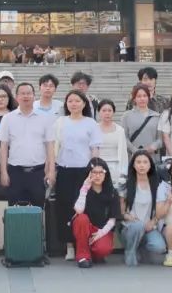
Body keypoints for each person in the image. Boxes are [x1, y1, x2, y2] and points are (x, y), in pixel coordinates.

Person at [53, 90, 102, 260]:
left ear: (84, 104)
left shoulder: (91, 123)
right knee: (65, 206)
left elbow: (95, 148)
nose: (73, 104)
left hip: (84, 171)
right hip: (64, 170)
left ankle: (85, 244)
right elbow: (54, 146)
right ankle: (69, 246)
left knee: (85, 207)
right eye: (70, 101)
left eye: (77, 101)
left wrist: (94, 170)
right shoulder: (60, 122)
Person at [0, 82, 56, 206]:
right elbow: (3, 147)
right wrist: (4, 172)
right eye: (22, 93)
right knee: (14, 211)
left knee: (38, 210)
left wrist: (51, 171)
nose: (26, 96)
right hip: (15, 172)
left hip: (38, 173)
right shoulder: (8, 118)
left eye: (29, 93)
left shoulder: (45, 118)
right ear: (16, 97)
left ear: (34, 96)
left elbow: (50, 146)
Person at [70, 157, 120, 268]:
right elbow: (79, 210)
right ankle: (83, 257)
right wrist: (85, 188)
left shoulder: (112, 192)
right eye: (94, 172)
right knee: (81, 218)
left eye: (101, 172)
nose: (97, 176)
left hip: (101, 230)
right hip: (85, 228)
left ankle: (93, 253)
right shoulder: (82, 188)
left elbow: (112, 220)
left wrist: (101, 233)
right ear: (89, 173)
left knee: (103, 249)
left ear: (106, 174)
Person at [120, 149, 168, 266]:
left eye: (145, 162)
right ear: (133, 165)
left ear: (150, 165)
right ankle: (130, 251)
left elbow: (160, 209)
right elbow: (121, 211)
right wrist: (128, 217)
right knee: (137, 226)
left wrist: (153, 221)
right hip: (131, 226)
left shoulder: (157, 184)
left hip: (149, 226)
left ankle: (140, 247)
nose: (142, 165)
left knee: (159, 247)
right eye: (138, 162)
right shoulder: (125, 183)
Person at [95, 99, 128, 186]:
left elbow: (123, 153)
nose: (107, 113)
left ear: (113, 112)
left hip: (115, 168)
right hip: (98, 168)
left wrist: (123, 173)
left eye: (109, 110)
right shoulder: (94, 129)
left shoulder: (120, 130)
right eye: (104, 110)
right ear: (99, 112)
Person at [123, 83, 162, 156]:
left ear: (148, 97)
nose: (142, 99)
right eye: (139, 96)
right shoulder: (126, 116)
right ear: (134, 98)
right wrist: (135, 150)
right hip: (133, 157)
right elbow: (124, 138)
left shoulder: (156, 116)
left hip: (152, 157)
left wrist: (153, 147)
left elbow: (160, 139)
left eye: (145, 96)